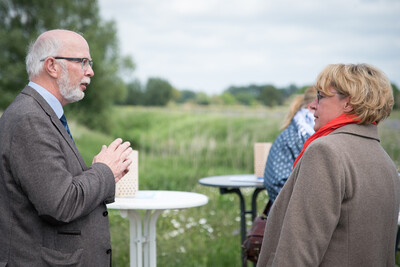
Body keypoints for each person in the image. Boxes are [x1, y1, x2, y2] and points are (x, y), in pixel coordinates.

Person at [0, 29, 133, 266]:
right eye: (82, 62)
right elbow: (60, 204)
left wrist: (102, 173)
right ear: (52, 66)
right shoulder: (30, 119)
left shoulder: (40, 113)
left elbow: (55, 188)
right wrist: (103, 171)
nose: (90, 71)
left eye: (89, 63)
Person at [257, 63, 400, 266]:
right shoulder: (384, 159)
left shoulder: (325, 151)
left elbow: (299, 251)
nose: (313, 105)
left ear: (348, 104)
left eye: (321, 96)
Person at [263, 86, 316, 204]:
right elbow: (277, 182)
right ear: (311, 107)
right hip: (293, 214)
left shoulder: (305, 135)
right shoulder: (292, 137)